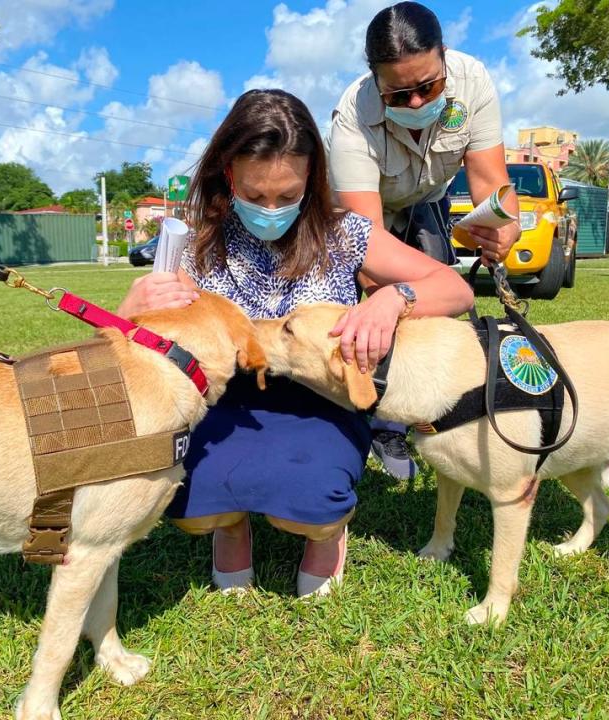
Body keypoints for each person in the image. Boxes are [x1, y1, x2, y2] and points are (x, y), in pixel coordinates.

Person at [117, 89, 472, 598]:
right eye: (256, 195)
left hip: (321, 402)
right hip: (229, 404)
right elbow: (146, 353)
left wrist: (394, 297)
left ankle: (326, 530)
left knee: (312, 494)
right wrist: (130, 313)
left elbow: (455, 289)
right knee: (188, 495)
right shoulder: (194, 245)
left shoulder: (344, 233)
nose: (271, 209)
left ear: (312, 179)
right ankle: (230, 524)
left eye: (288, 195)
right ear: (228, 174)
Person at [327, 1, 519, 479]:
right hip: (365, 214)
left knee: (442, 299)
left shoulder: (474, 82)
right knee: (372, 307)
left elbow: (491, 180)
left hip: (427, 199)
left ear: (445, 57)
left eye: (428, 87)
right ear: (374, 80)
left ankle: (446, 405)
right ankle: (384, 421)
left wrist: (506, 226)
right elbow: (365, 242)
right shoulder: (350, 116)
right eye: (398, 94)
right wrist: (389, 298)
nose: (416, 102)